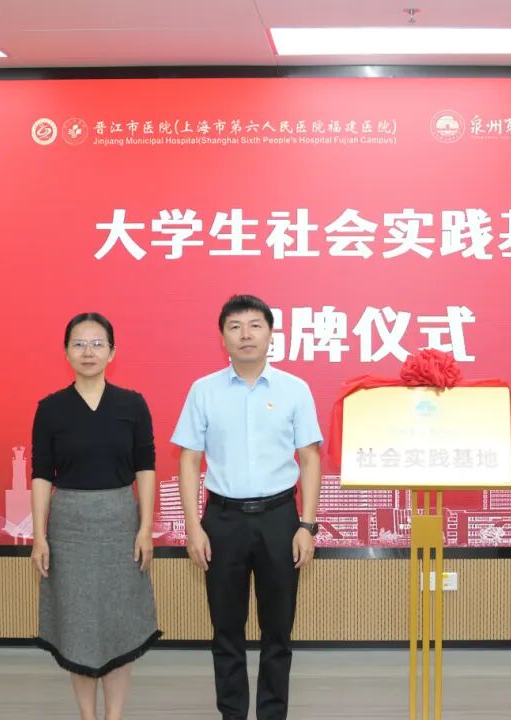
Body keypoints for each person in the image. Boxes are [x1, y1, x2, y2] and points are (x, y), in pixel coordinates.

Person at [172, 294, 323, 720]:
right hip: (222, 520)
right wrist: (193, 526)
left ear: (271, 334)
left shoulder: (295, 389)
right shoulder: (204, 390)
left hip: (280, 519)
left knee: (278, 630)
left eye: (255, 325)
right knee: (226, 630)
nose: (245, 334)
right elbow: (189, 459)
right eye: (235, 326)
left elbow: (310, 458)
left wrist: (307, 525)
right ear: (222, 337)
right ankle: (232, 714)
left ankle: (273, 714)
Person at [31, 312, 160, 720]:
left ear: (112, 352)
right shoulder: (50, 409)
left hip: (120, 523)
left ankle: (113, 715)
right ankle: (88, 715)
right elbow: (40, 475)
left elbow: (146, 468)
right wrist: (39, 536)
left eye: (97, 343)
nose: (88, 352)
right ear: (66, 352)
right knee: (78, 626)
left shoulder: (132, 404)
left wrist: (145, 528)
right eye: (79, 344)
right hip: (69, 527)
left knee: (119, 624)